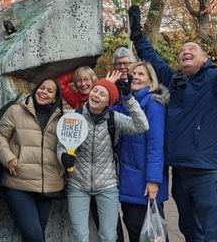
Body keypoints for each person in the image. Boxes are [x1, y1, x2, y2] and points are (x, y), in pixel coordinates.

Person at [128, 2, 217, 242]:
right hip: (180, 172)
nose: (185, 52)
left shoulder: (215, 80)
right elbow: (153, 61)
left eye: (192, 50)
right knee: (191, 231)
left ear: (205, 58)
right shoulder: (174, 82)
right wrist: (138, 38)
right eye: (182, 50)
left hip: (206, 172)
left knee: (214, 233)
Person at [58, 78, 149, 242]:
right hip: (77, 185)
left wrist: (128, 98)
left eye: (103, 94)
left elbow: (142, 126)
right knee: (79, 236)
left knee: (108, 236)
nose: (96, 95)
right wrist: (63, 157)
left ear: (109, 101)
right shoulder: (74, 116)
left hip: (107, 185)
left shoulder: (114, 119)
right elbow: (61, 146)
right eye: (95, 90)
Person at [0, 78, 66, 242]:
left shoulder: (61, 118)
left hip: (48, 185)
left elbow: (68, 146)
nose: (44, 92)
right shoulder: (16, 111)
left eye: (49, 91)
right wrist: (8, 158)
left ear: (55, 98)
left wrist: (61, 169)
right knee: (34, 236)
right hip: (19, 182)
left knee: (36, 235)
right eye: (42, 88)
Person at [112, 61, 169, 242]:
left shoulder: (152, 104)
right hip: (129, 177)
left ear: (150, 80)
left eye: (141, 74)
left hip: (142, 180)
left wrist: (153, 180)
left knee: (149, 233)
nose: (136, 77)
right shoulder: (125, 102)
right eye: (133, 73)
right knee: (136, 229)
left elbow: (155, 144)